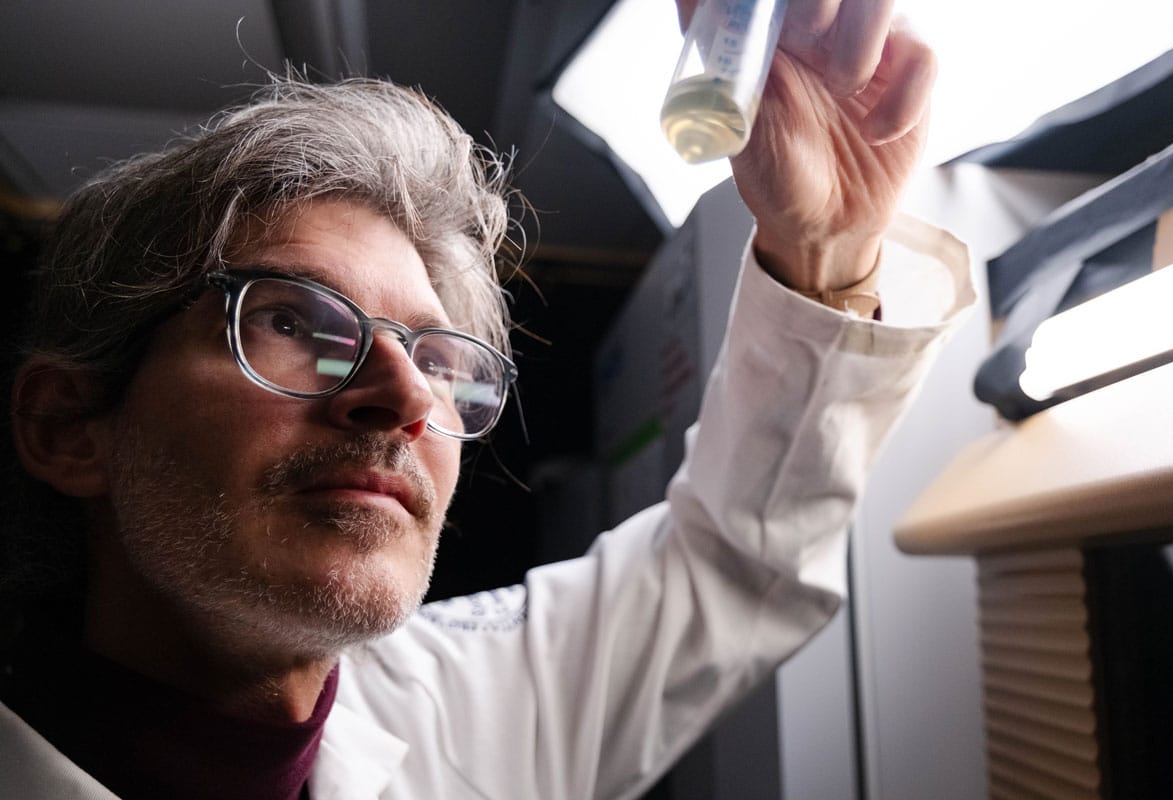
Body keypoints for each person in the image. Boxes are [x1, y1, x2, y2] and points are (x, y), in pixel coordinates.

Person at [0, 1, 973, 798]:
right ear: (68, 427)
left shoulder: (465, 703)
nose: (403, 395)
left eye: (436, 355)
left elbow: (734, 561)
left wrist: (829, 249)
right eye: (293, 322)